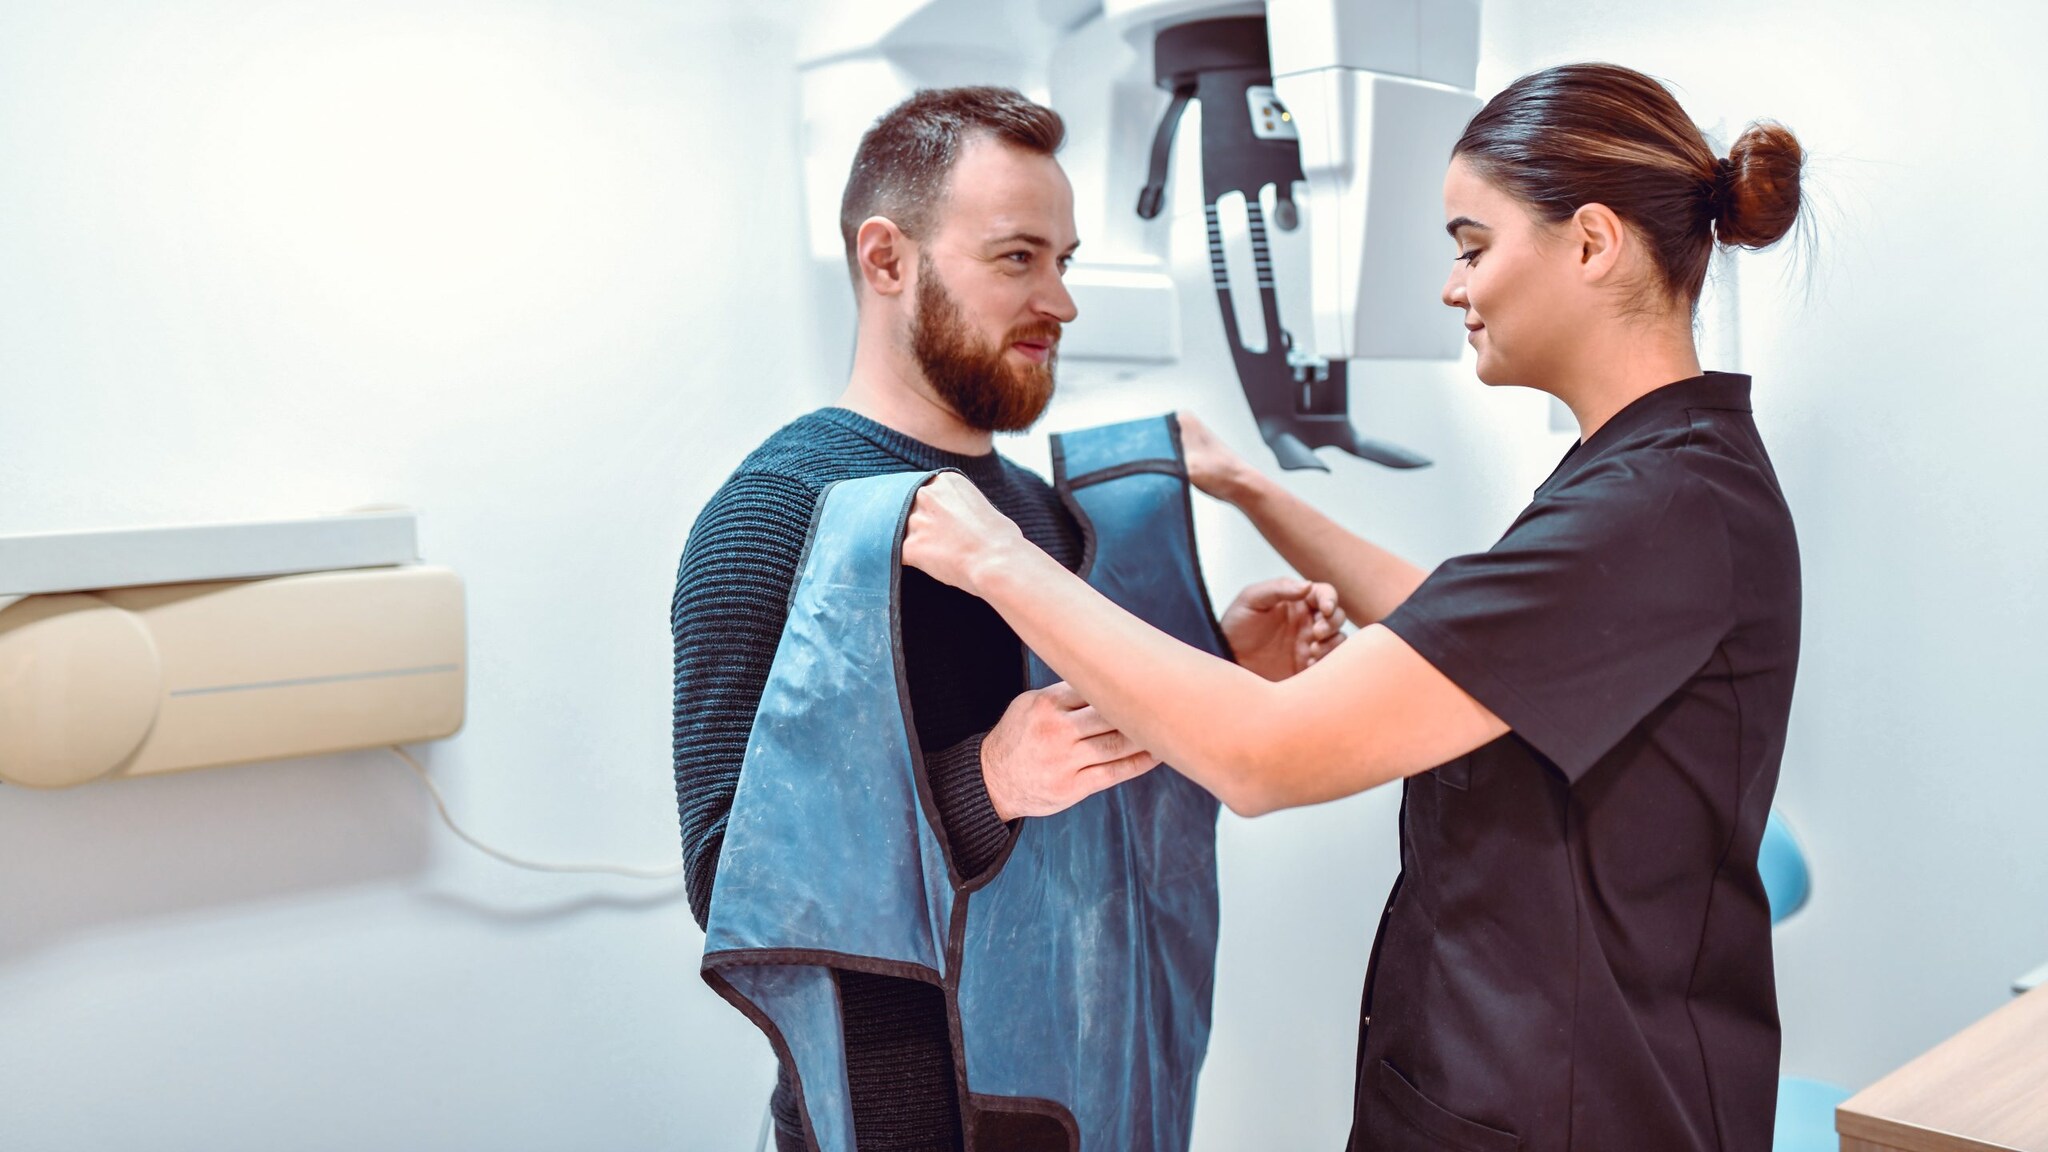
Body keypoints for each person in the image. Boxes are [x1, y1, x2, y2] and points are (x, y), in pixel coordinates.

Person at [900, 63, 1807, 1152]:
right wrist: (1248, 488)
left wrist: (997, 560)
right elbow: (1473, 634)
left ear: (1590, 243)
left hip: (1576, 1107)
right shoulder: (1652, 478)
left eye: (1471, 244)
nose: (1450, 285)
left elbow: (1260, 756)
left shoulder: (1654, 509)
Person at [671, 86, 1343, 1152]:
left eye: (1064, 260)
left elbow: (1082, 762)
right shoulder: (772, 517)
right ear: (885, 260)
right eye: (1018, 258)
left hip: (1094, 1090)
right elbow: (728, 876)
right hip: (903, 1121)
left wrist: (1219, 663)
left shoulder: (1035, 509)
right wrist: (987, 781)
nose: (1061, 302)